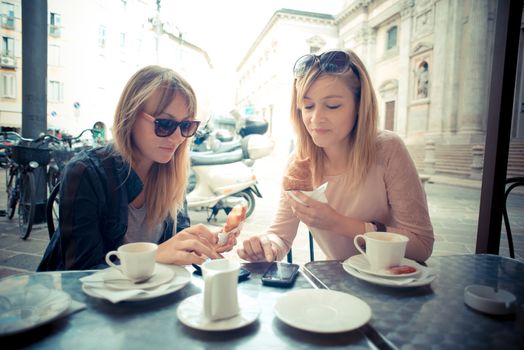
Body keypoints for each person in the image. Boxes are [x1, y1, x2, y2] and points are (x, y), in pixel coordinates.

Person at [238, 50, 434, 263]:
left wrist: (337, 222)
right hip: (339, 284)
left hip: (396, 281)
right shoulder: (299, 163)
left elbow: (421, 246)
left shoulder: (388, 149)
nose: (316, 118)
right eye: (308, 106)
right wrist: (266, 246)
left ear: (359, 106)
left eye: (332, 106)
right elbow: (280, 236)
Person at [38, 65, 234, 271]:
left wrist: (202, 243)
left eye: (186, 126)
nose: (177, 138)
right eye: (165, 124)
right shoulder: (86, 172)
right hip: (85, 300)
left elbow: (176, 245)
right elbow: (80, 273)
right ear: (131, 116)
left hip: (149, 297)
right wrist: (153, 257)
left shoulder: (171, 173)